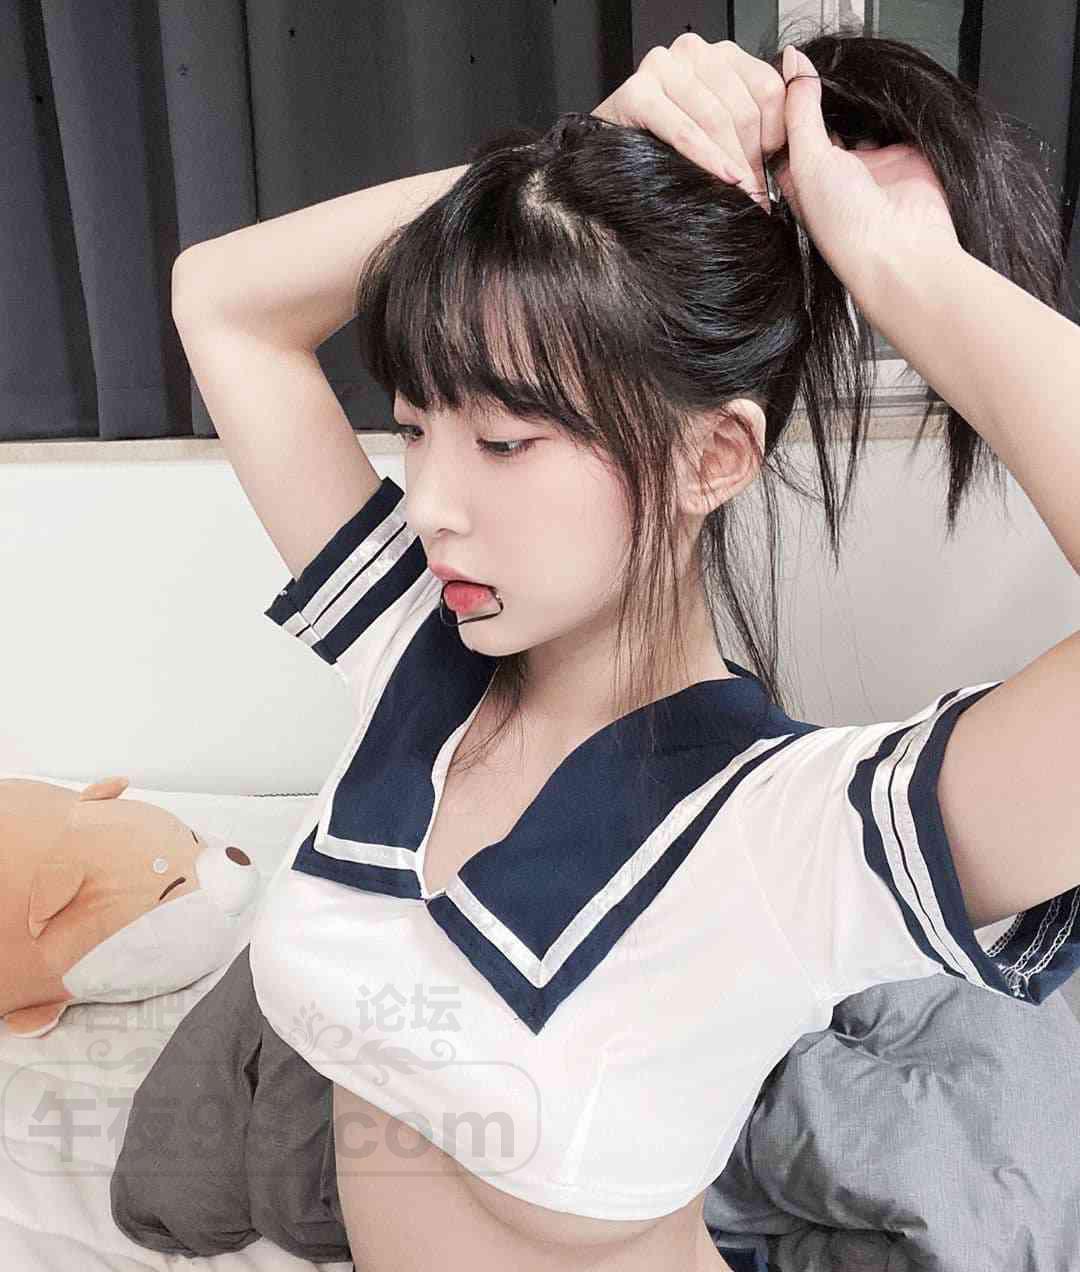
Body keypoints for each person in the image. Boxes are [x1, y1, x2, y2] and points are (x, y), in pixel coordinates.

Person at [132, 21, 1080, 1272]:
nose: (430, 504)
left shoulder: (790, 835)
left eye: (504, 443)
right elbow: (221, 301)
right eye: (414, 430)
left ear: (713, 458)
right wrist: (559, 171)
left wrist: (905, 269)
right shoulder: (413, 655)